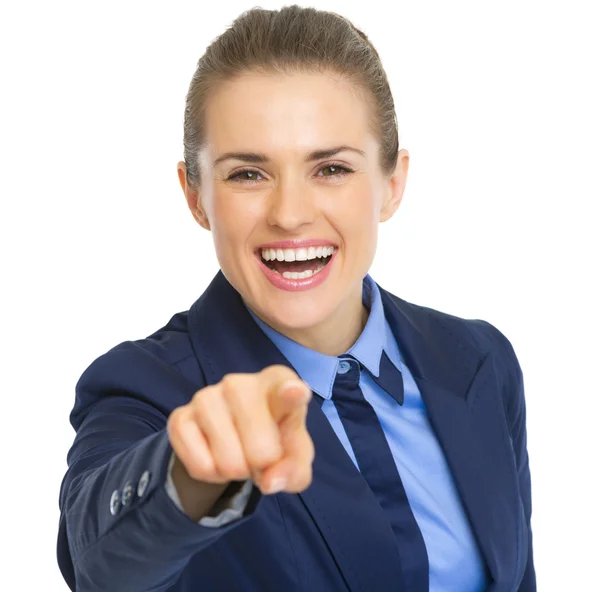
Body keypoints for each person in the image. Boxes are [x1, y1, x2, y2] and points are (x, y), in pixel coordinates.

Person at [56, 5, 536, 591]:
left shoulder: (478, 358)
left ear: (392, 184)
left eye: (331, 168)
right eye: (247, 175)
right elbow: (98, 561)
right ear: (196, 196)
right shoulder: (143, 387)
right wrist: (189, 477)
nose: (290, 215)